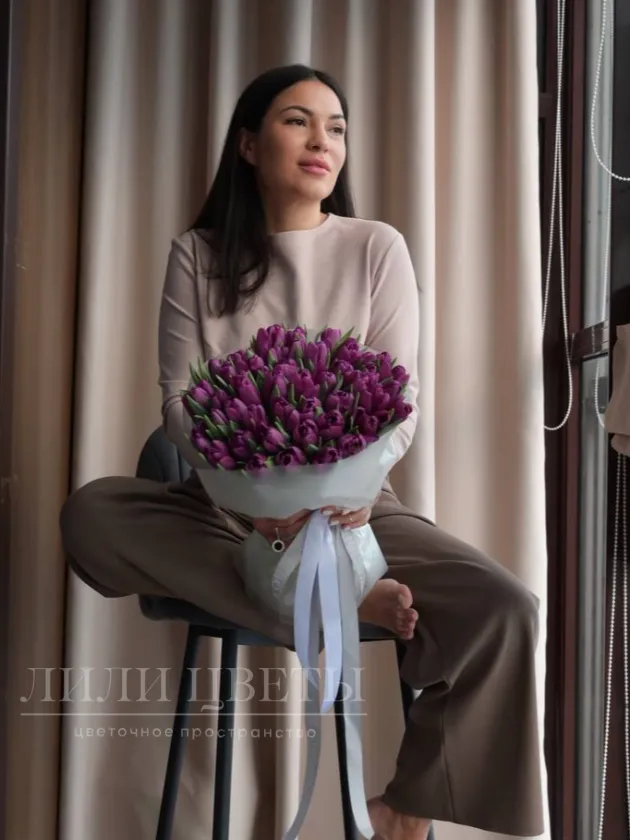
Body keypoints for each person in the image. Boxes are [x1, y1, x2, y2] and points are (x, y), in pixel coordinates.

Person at [59, 64, 544, 840]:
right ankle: (336, 601)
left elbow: (401, 403)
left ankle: (409, 807)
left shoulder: (376, 248)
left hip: (357, 510)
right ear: (249, 144)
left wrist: (348, 494)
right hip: (226, 513)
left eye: (336, 127)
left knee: (505, 607)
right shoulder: (198, 255)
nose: (323, 141)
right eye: (298, 121)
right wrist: (255, 505)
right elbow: (180, 406)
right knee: (91, 514)